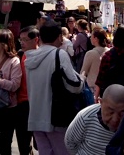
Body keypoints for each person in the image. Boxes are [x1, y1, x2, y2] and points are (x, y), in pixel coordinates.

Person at [25, 22, 84, 155]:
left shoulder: (29, 57)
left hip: (35, 115)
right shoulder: (59, 54)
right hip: (55, 117)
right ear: (59, 37)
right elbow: (74, 86)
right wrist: (82, 79)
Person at [64, 85, 124, 155]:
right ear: (101, 102)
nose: (115, 119)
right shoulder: (86, 117)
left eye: (122, 113)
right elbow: (70, 142)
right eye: (110, 111)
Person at [15, 26, 40, 155]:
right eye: (20, 39)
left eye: (25, 39)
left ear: (36, 40)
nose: (22, 42)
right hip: (22, 104)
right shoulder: (19, 56)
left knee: (39, 144)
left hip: (38, 104)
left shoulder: (43, 57)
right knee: (23, 143)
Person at [80, 28, 108, 95]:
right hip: (106, 88)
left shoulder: (90, 53)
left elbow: (83, 72)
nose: (90, 38)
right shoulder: (109, 52)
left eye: (91, 36)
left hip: (93, 89)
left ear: (96, 39)